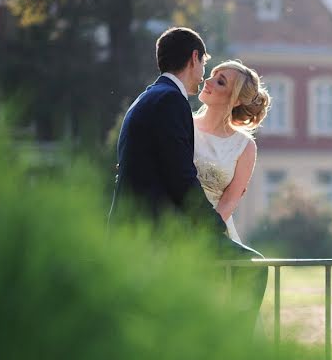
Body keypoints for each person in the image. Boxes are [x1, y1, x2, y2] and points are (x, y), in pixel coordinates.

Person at [109, 27, 267, 332]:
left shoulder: (150, 97)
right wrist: (204, 233)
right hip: (166, 228)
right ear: (194, 58)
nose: (205, 76)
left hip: (177, 223)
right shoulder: (172, 103)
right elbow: (180, 179)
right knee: (252, 270)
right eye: (206, 67)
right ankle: (231, 344)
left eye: (220, 80)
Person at [191, 60, 270, 244]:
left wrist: (203, 236)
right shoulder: (183, 125)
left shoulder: (245, 146)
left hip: (214, 235)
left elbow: (229, 202)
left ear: (236, 100)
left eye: (220, 82)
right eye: (212, 75)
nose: (207, 81)